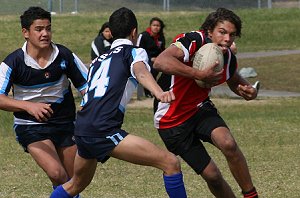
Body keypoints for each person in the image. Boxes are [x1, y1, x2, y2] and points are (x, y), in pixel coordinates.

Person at [50, 7, 187, 198]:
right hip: (103, 129)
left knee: (75, 185)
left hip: (82, 128)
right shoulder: (133, 52)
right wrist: (159, 92)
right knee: (170, 163)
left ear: (111, 32)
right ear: (134, 32)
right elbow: (140, 71)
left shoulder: (98, 60)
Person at [153, 8, 259, 198]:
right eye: (222, 32)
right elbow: (160, 62)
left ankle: (251, 195)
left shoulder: (225, 56)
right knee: (213, 176)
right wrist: (198, 74)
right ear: (210, 31)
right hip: (171, 119)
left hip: (199, 108)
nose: (228, 38)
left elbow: (233, 78)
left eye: (232, 35)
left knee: (228, 144)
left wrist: (247, 89)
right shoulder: (194, 40)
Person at [0, 6, 87, 197]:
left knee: (74, 182)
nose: (45, 33)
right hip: (30, 126)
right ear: (25, 32)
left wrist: (87, 103)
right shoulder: (13, 62)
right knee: (57, 174)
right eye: (39, 29)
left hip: (65, 123)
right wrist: (28, 106)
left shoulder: (64, 55)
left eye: (48, 28)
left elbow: (86, 86)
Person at [137, 17, 165, 97]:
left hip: (157, 59)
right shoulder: (143, 36)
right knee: (150, 70)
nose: (156, 27)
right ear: (150, 26)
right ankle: (147, 92)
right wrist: (150, 58)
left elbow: (162, 50)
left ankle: (160, 90)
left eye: (158, 26)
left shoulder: (161, 37)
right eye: (154, 25)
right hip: (144, 58)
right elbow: (139, 49)